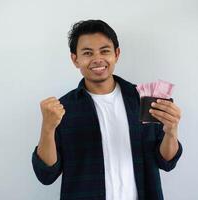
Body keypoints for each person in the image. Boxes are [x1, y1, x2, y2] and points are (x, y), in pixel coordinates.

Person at [32, 19, 183, 200]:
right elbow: (46, 175)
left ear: (116, 54)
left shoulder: (143, 99)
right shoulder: (62, 109)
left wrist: (171, 132)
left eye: (105, 51)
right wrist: (47, 128)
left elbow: (166, 162)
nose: (97, 59)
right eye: (88, 53)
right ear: (75, 59)